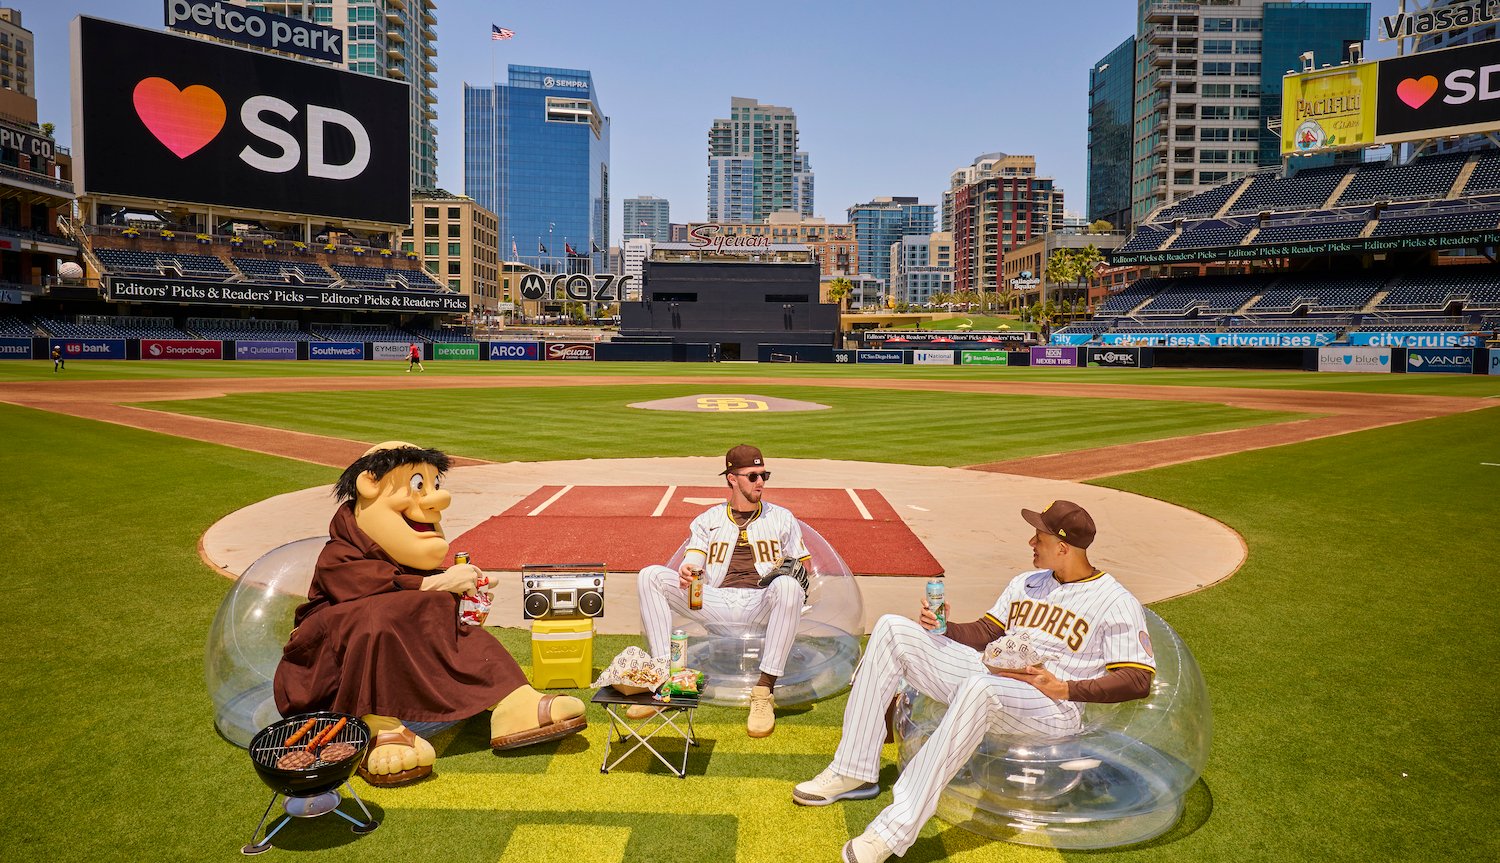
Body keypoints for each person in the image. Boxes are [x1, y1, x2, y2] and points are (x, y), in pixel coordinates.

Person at [793, 500, 1156, 863]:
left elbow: (1137, 680)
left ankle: (892, 831)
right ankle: (853, 772)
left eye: (1039, 537)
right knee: (891, 629)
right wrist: (945, 628)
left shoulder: (1115, 601)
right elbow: (987, 631)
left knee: (982, 689)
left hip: (1052, 706)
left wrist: (1066, 688)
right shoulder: (1027, 582)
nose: (1031, 542)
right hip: (993, 677)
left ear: (1062, 547)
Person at [274, 442, 587, 786]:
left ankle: (512, 701)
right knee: (375, 617)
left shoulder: (399, 554)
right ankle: (376, 725)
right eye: (418, 485)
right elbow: (365, 588)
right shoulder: (339, 552)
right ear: (369, 485)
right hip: (332, 663)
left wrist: (458, 583)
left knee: (435, 608)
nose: (437, 498)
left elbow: (411, 587)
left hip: (391, 645)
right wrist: (437, 583)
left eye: (434, 485)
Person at [635, 444, 812, 737]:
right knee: (650, 575)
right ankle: (662, 679)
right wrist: (688, 569)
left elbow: (804, 567)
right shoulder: (708, 519)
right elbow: (694, 558)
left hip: (762, 600)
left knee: (788, 585)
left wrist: (793, 572)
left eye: (764, 474)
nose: (761, 482)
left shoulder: (782, 517)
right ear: (732, 478)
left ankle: (763, 690)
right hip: (716, 601)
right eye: (752, 476)